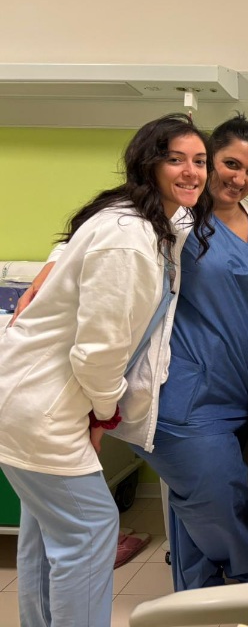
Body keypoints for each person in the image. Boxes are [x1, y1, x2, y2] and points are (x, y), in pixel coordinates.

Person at [0, 114, 212, 627]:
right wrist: (103, 413)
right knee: (90, 528)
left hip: (33, 398)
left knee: (46, 532)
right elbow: (97, 353)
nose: (192, 172)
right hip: (45, 406)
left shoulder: (144, 219)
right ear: (148, 164)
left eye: (199, 161)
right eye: (176, 159)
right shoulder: (130, 240)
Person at [129, 115, 248, 591]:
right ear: (207, 162)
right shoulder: (173, 214)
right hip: (183, 389)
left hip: (237, 387)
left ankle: (195, 594)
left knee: (195, 502)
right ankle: (244, 580)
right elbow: (108, 237)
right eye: (229, 164)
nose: (239, 179)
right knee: (219, 496)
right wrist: (54, 264)